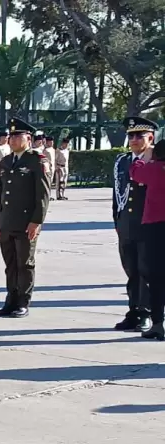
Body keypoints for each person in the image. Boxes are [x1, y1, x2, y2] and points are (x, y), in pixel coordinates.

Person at [0, 117, 51, 318]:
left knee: (25, 264)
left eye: (17, 136)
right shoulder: (6, 161)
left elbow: (42, 195)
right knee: (10, 265)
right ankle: (11, 299)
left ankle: (23, 302)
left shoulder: (37, 161)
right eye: (11, 136)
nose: (13, 140)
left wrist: (37, 221)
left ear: (28, 138)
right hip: (6, 221)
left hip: (26, 223)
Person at [112, 116, 158, 333]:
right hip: (127, 225)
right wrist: (118, 222)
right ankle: (134, 311)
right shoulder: (122, 161)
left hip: (148, 224)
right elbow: (117, 194)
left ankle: (146, 313)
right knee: (131, 270)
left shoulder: (157, 160)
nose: (134, 140)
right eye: (130, 135)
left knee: (146, 270)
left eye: (139, 136)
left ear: (151, 137)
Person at [129, 139, 165, 340]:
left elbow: (135, 171)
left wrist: (146, 158)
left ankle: (159, 323)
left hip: (155, 227)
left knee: (156, 277)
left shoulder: (156, 169)